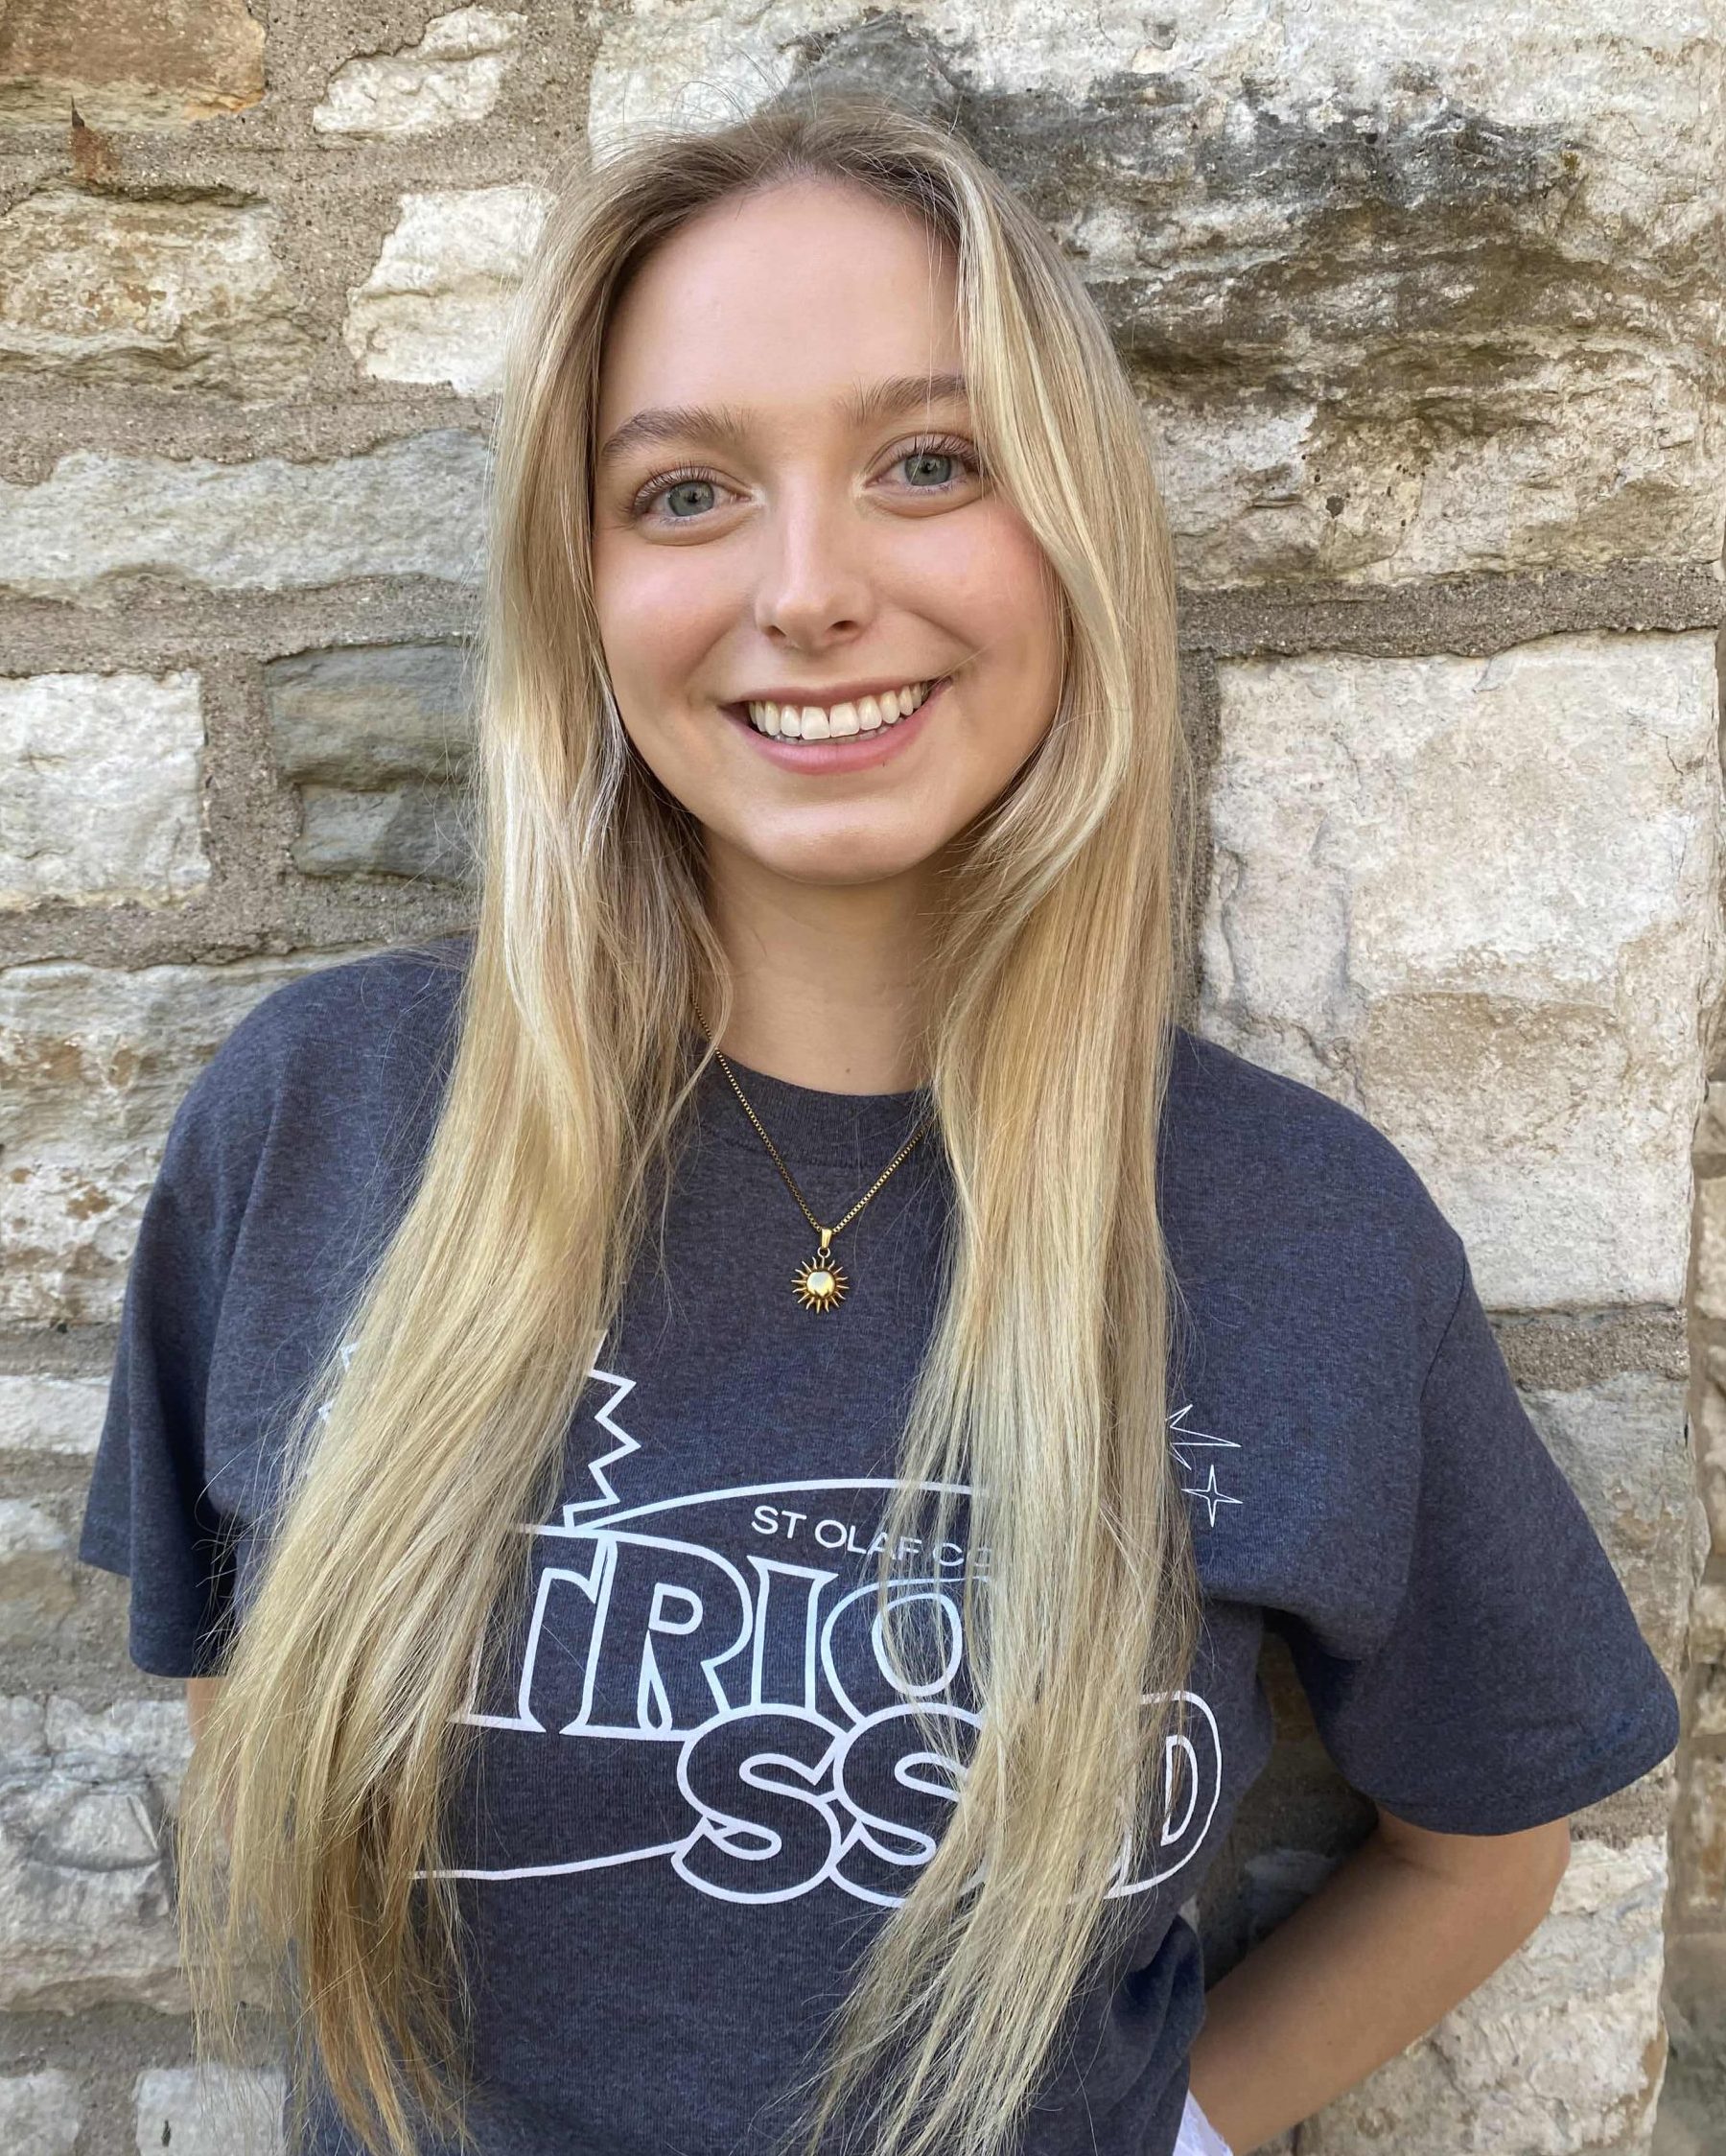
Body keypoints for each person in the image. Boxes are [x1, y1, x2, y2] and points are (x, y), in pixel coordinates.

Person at [76, 92, 1679, 2156]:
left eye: (929, 463)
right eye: (684, 492)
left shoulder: (1300, 1231)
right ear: (580, 582)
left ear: (1072, 530)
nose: (810, 587)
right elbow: (242, 1715)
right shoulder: (321, 1123)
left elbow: (1486, 1837)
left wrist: (1173, 2129)